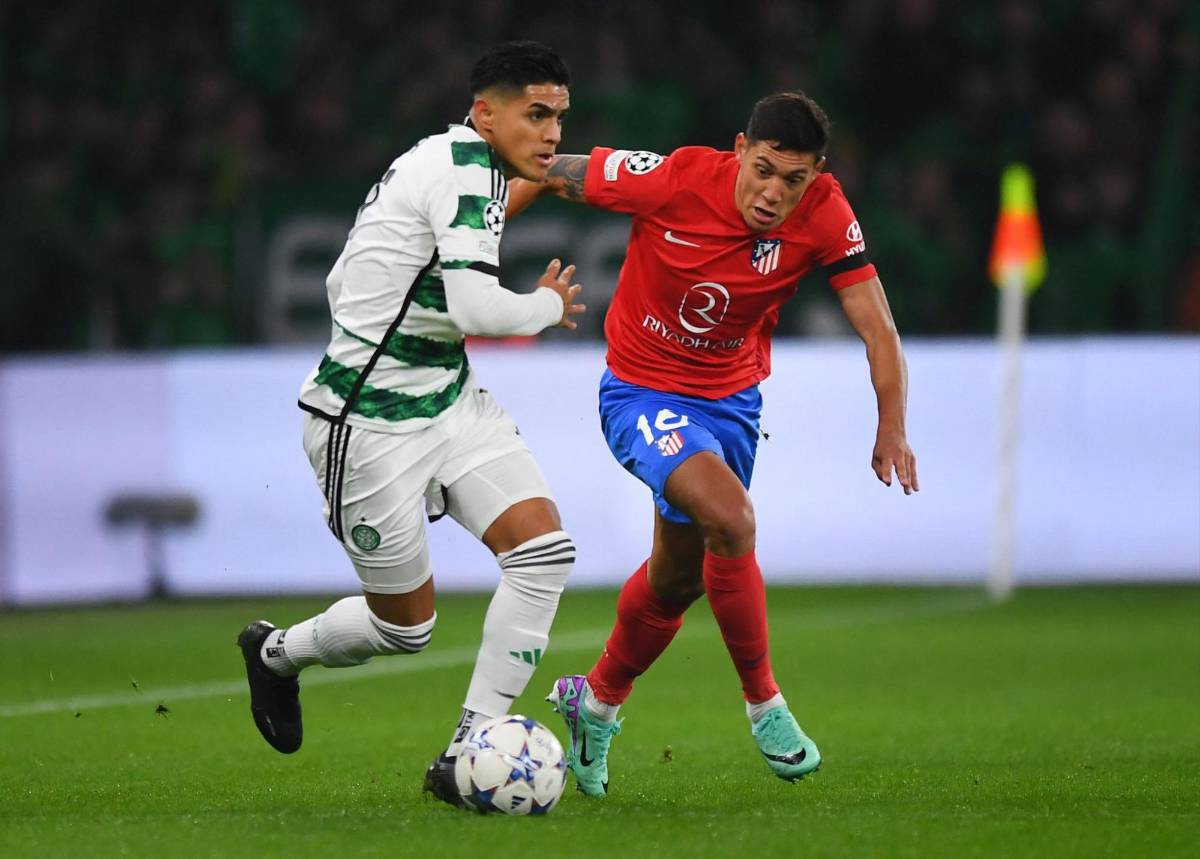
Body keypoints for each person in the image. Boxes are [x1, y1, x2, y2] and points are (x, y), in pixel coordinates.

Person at [507, 91, 918, 795]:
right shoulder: (672, 180)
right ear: (739, 150)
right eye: (764, 170)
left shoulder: (825, 213)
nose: (774, 193)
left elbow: (877, 324)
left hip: (732, 405)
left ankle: (594, 702)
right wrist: (469, 246)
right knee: (732, 519)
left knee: (677, 580)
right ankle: (765, 705)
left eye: (794, 179)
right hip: (642, 394)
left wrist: (893, 425)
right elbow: (545, 171)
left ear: (816, 176)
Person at [236, 41, 585, 810]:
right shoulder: (460, 170)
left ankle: (467, 751)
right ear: (485, 113)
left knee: (542, 553)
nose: (552, 132)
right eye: (536, 114)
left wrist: (566, 174)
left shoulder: (464, 163)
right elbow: (477, 308)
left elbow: (467, 226)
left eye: (559, 116)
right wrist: (548, 305)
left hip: (448, 399)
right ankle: (275, 652)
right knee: (406, 629)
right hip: (368, 424)